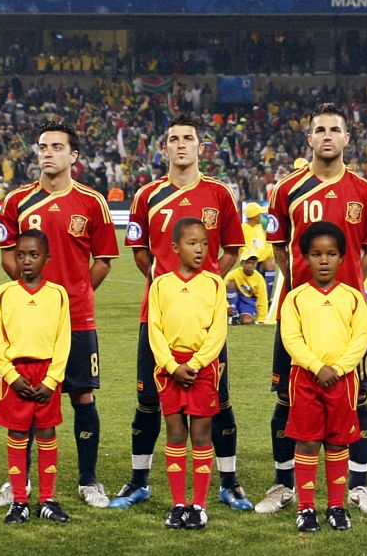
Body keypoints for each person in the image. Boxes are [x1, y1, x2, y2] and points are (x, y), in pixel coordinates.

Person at [112, 115, 246, 510]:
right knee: (148, 400)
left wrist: (204, 289)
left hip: (205, 324)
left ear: (200, 146)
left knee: (218, 402)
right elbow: (139, 251)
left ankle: (230, 482)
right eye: (174, 139)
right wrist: (169, 290)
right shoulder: (146, 195)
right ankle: (138, 481)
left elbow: (233, 250)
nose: (182, 145)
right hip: (156, 318)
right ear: (165, 147)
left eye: (189, 138)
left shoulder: (220, 195)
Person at [259, 103, 367, 516]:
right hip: (298, 314)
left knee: (357, 396)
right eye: (320, 129)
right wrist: (303, 289)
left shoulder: (365, 193)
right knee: (287, 397)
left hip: (348, 317)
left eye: (335, 129)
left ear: (347, 139)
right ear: (309, 138)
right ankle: (283, 484)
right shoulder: (285, 190)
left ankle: (359, 486)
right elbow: (279, 249)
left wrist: (346, 288)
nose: (327, 136)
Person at [0, 122, 119, 508]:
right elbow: (6, 254)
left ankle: (88, 481)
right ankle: (20, 481)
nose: (47, 152)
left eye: (56, 146)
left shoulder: (91, 202)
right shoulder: (17, 201)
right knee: (27, 398)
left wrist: (74, 296)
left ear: (74, 156)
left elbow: (103, 260)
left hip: (78, 319)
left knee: (82, 396)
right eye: (42, 146)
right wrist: (34, 296)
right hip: (29, 322)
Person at [279, 221, 367, 534]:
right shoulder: (295, 297)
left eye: (330, 254)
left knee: (336, 443)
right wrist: (317, 366)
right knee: (306, 443)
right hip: (305, 378)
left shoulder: (353, 297)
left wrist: (341, 367)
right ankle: (306, 509)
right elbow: (290, 338)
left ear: (342, 258)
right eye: (316, 254)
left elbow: (361, 337)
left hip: (343, 380)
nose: (323, 260)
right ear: (305, 258)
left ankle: (336, 506)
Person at [147, 218, 229, 530]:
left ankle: (200, 505)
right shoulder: (160, 284)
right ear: (175, 247)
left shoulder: (214, 283)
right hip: (169, 369)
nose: (199, 249)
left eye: (204, 244)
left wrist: (195, 364)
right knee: (176, 433)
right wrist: (171, 365)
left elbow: (217, 332)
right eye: (192, 243)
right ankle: (178, 503)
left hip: (202, 368)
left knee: (201, 435)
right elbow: (154, 330)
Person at [0, 230, 73, 525]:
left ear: (46, 258)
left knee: (47, 433)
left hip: (46, 373)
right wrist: (11, 376)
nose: (26, 261)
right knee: (16, 435)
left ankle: (47, 500)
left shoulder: (57, 294)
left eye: (33, 255)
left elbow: (64, 339)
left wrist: (52, 380)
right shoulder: (3, 293)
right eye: (20, 255)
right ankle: (19, 501)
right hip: (15, 375)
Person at [227, 255, 269, 324]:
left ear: (256, 264)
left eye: (253, 263)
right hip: (234, 298)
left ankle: (237, 317)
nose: (250, 266)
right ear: (241, 263)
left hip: (248, 301)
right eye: (247, 263)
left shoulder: (259, 278)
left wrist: (261, 318)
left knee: (246, 321)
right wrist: (227, 306)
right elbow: (221, 291)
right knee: (230, 283)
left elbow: (262, 298)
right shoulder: (233, 274)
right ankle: (233, 311)